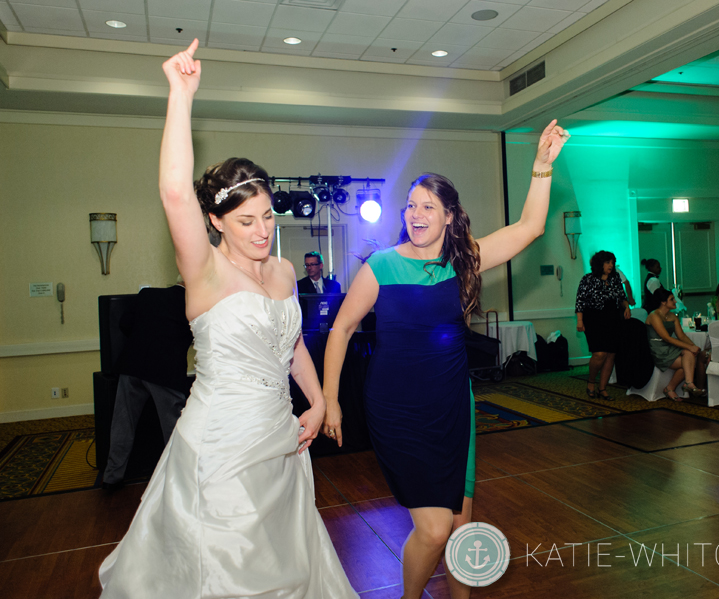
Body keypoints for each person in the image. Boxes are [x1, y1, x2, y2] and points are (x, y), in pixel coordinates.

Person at [98, 40, 357, 598]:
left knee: (282, 561)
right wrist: (181, 94)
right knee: (228, 570)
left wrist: (315, 402)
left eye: (267, 216)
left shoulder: (286, 272)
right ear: (215, 221)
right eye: (246, 221)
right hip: (221, 443)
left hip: (279, 438)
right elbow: (172, 190)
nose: (262, 230)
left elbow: (292, 348)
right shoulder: (205, 273)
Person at [321, 122, 568, 599]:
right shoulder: (382, 266)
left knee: (461, 529)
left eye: (427, 207)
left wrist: (542, 166)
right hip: (397, 411)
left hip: (453, 407)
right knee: (433, 530)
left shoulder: (464, 262)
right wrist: (331, 399)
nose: (415, 214)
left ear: (450, 217)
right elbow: (342, 329)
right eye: (410, 205)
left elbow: (530, 228)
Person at [103, 280, 193, 488]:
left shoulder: (147, 295)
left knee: (122, 425)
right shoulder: (193, 302)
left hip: (132, 366)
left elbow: (125, 323)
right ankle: (178, 478)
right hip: (165, 373)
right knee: (174, 429)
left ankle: (111, 477)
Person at [576, 250, 631, 399]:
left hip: (612, 318)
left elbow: (622, 297)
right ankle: (591, 381)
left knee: (610, 354)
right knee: (599, 353)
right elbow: (580, 302)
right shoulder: (587, 279)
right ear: (599, 264)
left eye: (612, 262)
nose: (611, 265)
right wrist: (580, 321)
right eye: (608, 262)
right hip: (593, 319)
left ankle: (602, 388)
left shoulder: (615, 279)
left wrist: (626, 307)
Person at [646, 287, 706, 401]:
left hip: (669, 347)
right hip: (658, 349)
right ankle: (673, 387)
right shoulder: (654, 316)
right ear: (663, 302)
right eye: (672, 299)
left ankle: (685, 384)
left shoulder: (672, 316)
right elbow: (666, 338)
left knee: (690, 356)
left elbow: (681, 336)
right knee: (688, 362)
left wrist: (694, 347)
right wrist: (690, 347)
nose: (675, 301)